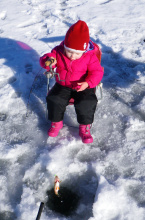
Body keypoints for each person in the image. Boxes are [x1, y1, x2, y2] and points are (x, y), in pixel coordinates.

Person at [39, 20, 104, 144]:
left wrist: (88, 83)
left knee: (87, 102)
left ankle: (85, 127)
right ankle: (56, 122)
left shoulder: (90, 56)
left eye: (77, 53)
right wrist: (49, 60)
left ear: (84, 50)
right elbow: (47, 58)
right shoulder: (58, 51)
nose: (72, 56)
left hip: (83, 85)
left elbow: (97, 72)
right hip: (63, 84)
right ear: (65, 46)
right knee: (54, 99)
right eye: (69, 51)